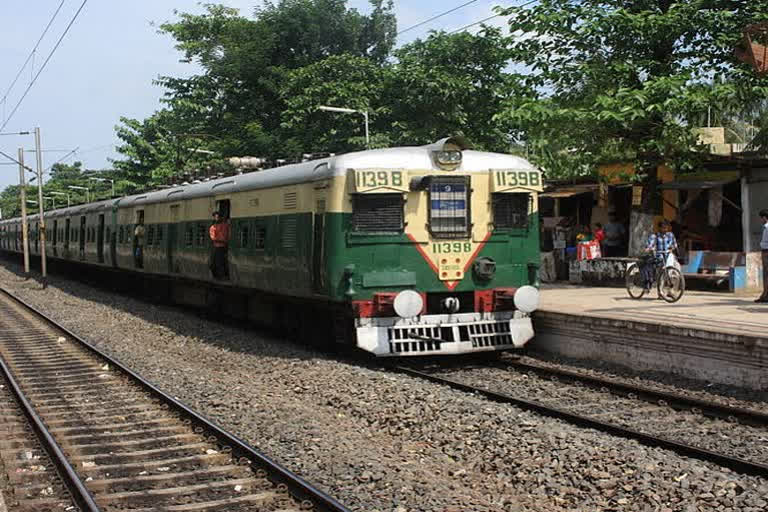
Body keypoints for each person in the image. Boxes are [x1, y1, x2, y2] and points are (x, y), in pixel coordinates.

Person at [641, 220, 678, 292]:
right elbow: (650, 245)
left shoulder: (670, 235)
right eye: (663, 228)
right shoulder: (654, 236)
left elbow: (674, 245)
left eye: (666, 228)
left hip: (668, 255)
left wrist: (672, 248)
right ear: (659, 228)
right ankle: (660, 291)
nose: (665, 230)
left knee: (674, 271)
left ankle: (671, 291)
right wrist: (649, 248)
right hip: (659, 256)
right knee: (660, 271)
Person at [209, 211, 230, 279]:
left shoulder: (225, 225)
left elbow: (227, 235)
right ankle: (218, 276)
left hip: (223, 246)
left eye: (218, 217)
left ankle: (222, 276)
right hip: (217, 247)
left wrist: (221, 239)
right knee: (214, 263)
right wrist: (221, 240)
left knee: (222, 262)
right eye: (215, 217)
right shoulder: (213, 227)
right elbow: (213, 237)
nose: (217, 218)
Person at [755, 209, 768, 303]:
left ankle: (765, 295)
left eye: (761, 218)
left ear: (764, 217)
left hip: (767, 252)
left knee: (766, 273)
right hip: (765, 251)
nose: (761, 220)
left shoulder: (767, 227)